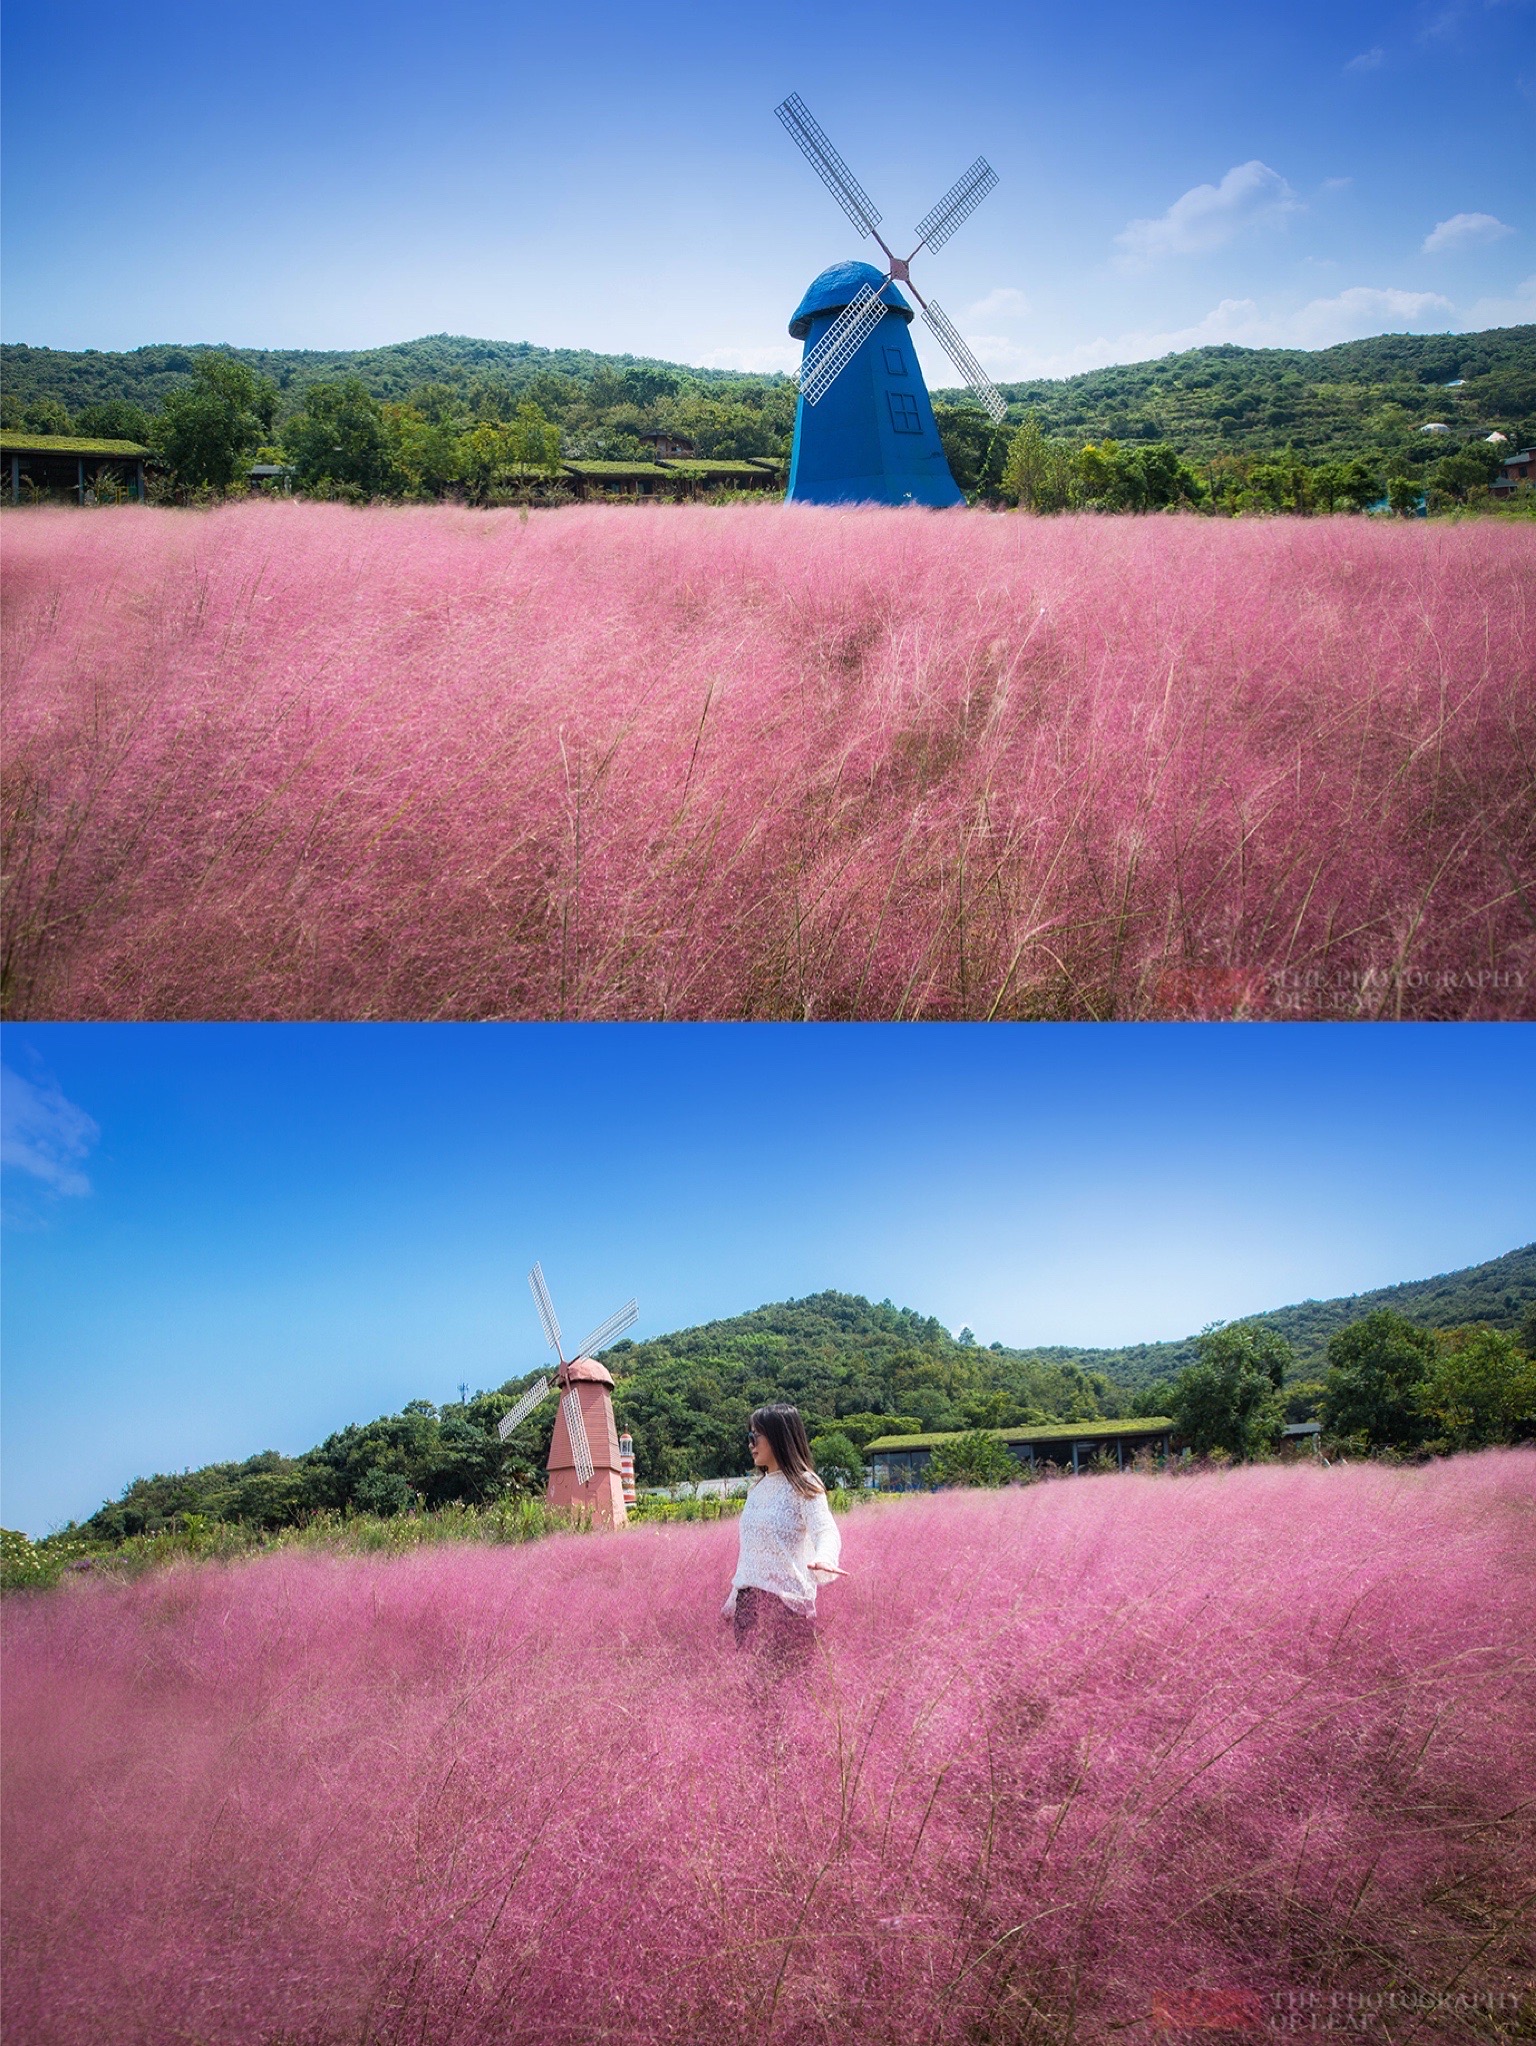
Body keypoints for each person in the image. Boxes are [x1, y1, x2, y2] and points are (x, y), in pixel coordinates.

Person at [723, 1404, 846, 1677]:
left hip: (786, 1610)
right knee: (753, 1698)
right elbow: (750, 1553)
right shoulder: (756, 1490)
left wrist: (824, 1557)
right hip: (748, 1609)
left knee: (788, 1697)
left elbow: (825, 1530)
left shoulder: (805, 1483)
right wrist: (734, 1597)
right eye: (749, 1437)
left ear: (778, 1436)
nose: (750, 1444)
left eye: (756, 1436)